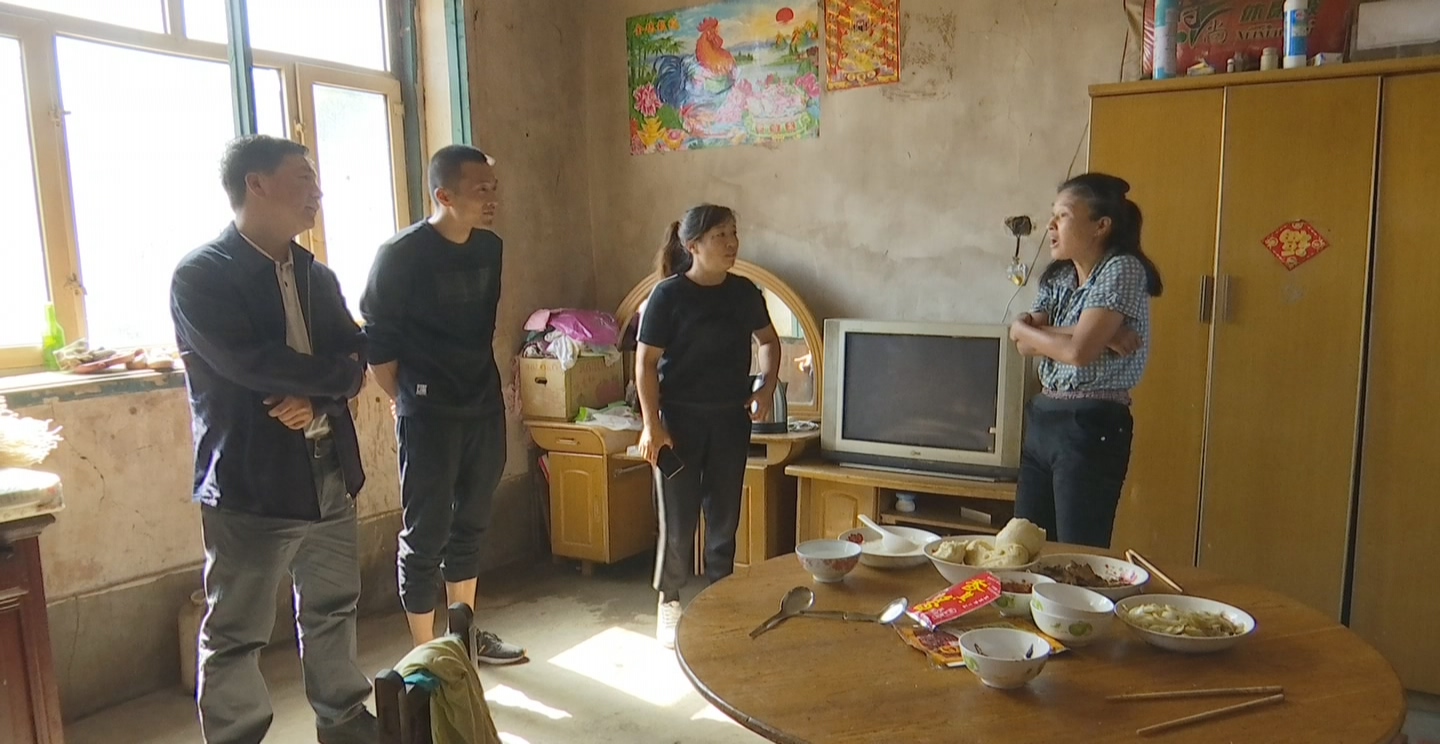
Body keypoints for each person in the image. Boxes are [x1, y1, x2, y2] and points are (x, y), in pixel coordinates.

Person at [171, 135, 376, 744]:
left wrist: (320, 397)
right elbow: (250, 363)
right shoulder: (202, 276)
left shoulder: (317, 274)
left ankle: (343, 720)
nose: (317, 192)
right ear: (255, 184)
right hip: (251, 480)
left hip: (329, 467)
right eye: (303, 178)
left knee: (333, 606)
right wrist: (331, 378)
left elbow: (355, 359)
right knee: (236, 633)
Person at [359, 144, 525, 664]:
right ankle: (427, 655)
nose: (492, 198)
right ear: (444, 195)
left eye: (494, 188)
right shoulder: (401, 254)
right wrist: (406, 399)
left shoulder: (490, 248)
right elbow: (378, 345)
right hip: (428, 413)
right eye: (480, 190)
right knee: (426, 532)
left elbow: (481, 329)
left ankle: (464, 640)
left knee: (471, 524)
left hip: (481, 404)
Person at [635, 204, 781, 649]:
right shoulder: (667, 296)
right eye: (721, 235)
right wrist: (651, 426)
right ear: (692, 245)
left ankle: (720, 600)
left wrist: (765, 387)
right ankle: (669, 602)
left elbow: (769, 342)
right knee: (678, 522)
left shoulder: (744, 293)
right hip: (677, 423)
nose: (732, 243)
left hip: (730, 420)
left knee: (724, 520)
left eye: (734, 234)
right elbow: (645, 363)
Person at [1008, 172, 1163, 549]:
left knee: (1076, 552)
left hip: (1092, 423)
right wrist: (1094, 333)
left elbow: (1077, 354)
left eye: (1062, 215)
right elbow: (1023, 344)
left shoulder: (1122, 268)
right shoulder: (1059, 275)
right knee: (1023, 547)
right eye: (1052, 215)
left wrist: (1027, 328)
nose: (1051, 225)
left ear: (1100, 226)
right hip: (1044, 417)